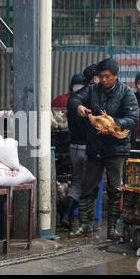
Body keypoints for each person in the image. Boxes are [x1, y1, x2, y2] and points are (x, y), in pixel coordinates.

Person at [68, 58, 139, 240]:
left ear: (115, 76)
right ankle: (85, 225)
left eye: (107, 76)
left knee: (116, 188)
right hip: (95, 146)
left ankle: (113, 228)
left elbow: (133, 117)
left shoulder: (126, 93)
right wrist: (79, 106)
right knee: (88, 186)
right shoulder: (92, 90)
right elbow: (74, 98)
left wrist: (114, 123)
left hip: (117, 148)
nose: (104, 80)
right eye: (101, 76)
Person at [60, 68, 99, 231]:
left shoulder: (74, 98)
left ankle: (66, 215)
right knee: (90, 185)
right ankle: (86, 222)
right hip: (88, 149)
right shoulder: (93, 97)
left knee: (76, 183)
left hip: (74, 148)